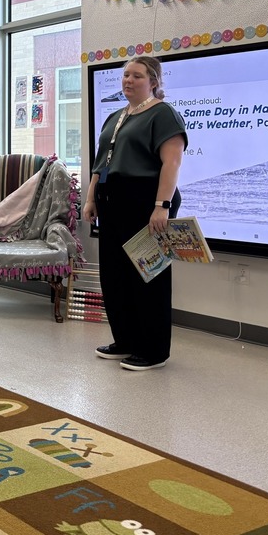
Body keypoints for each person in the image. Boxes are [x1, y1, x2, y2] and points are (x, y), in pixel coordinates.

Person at [83, 55, 188, 371]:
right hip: (112, 200)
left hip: (145, 200)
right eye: (126, 75)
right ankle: (125, 340)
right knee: (115, 275)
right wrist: (91, 199)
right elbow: (101, 163)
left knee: (148, 274)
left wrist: (161, 206)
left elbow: (172, 162)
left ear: (153, 81)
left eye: (137, 76)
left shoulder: (163, 114)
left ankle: (153, 350)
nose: (129, 80)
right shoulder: (115, 116)